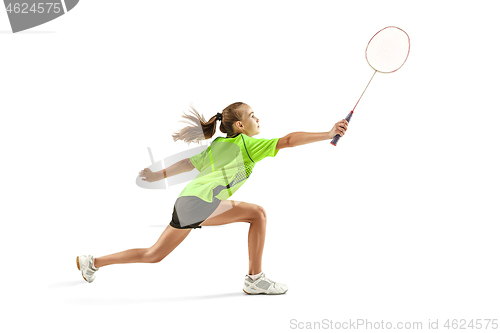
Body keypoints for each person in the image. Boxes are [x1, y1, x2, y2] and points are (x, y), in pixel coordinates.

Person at [76, 102, 348, 295]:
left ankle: (93, 262)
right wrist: (327, 134)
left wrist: (158, 175)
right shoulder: (246, 144)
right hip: (200, 202)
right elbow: (287, 141)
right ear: (240, 125)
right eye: (253, 116)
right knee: (258, 214)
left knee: (154, 254)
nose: (258, 119)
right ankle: (255, 279)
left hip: (187, 201)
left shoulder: (219, 145)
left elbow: (186, 164)